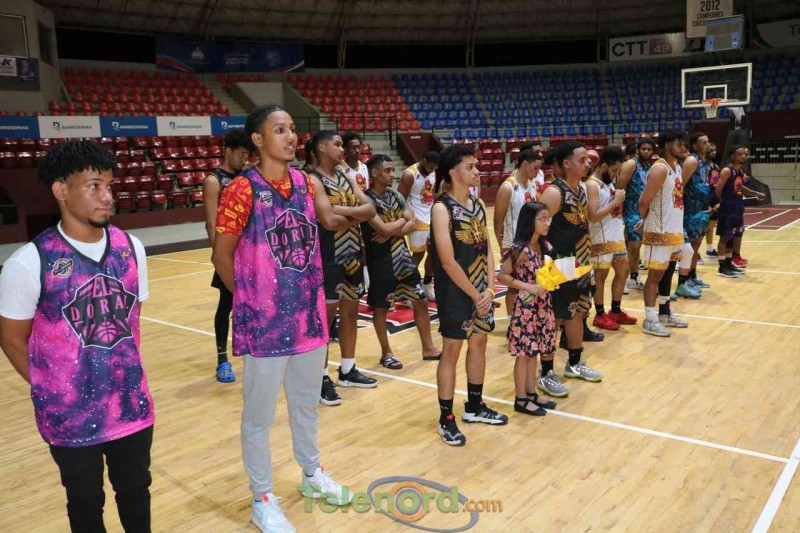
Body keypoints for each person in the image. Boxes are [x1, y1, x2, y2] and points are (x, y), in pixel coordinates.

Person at [0, 140, 154, 533]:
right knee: (85, 502)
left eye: (110, 186)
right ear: (61, 190)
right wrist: (51, 388)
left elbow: (131, 321)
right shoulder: (29, 262)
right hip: (70, 415)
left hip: (130, 405)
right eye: (94, 186)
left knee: (136, 491)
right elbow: (12, 339)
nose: (107, 196)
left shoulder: (131, 248)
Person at [212, 105, 352, 533]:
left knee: (306, 406)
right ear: (257, 140)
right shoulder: (241, 189)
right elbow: (221, 255)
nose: (291, 136)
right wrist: (251, 302)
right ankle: (262, 499)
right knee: (259, 416)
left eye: (292, 129)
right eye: (279, 130)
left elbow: (328, 224)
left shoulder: (307, 183)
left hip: (308, 317)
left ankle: (312, 473)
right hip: (266, 325)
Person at [430, 143, 507, 446]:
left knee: (479, 344)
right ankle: (445, 418)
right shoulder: (441, 208)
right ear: (453, 172)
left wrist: (489, 288)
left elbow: (487, 248)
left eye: (477, 166)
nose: (477, 171)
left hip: (480, 291)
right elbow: (448, 262)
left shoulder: (476, 204)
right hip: (456, 291)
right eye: (470, 167)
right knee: (451, 350)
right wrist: (476, 295)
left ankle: (474, 406)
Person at [306, 130, 378, 406]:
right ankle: (320, 377)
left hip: (352, 254)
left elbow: (370, 209)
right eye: (336, 144)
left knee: (350, 312)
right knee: (325, 320)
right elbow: (328, 221)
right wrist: (355, 214)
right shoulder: (311, 178)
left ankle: (347, 369)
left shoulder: (344, 175)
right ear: (321, 148)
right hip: (327, 256)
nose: (342, 149)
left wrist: (344, 211)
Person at [538, 141, 604, 396]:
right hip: (558, 263)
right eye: (582, 160)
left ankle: (574, 362)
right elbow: (536, 229)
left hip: (580, 260)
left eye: (588, 160)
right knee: (554, 318)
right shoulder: (555, 193)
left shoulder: (581, 189)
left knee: (577, 311)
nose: (588, 163)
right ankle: (545, 373)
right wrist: (546, 264)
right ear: (566, 164)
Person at [361, 154, 440, 368]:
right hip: (381, 262)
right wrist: (396, 226)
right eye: (386, 170)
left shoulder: (396, 195)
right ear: (374, 173)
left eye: (391, 170)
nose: (391, 174)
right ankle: (386, 352)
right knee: (381, 307)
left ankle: (428, 347)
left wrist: (390, 230)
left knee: (420, 300)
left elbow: (412, 223)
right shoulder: (366, 200)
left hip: (403, 259)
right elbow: (389, 227)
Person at [497, 202, 561, 411]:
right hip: (525, 308)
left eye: (548, 219)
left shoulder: (545, 246)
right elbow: (503, 275)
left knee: (535, 351)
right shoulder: (520, 250)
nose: (547, 223)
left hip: (542, 305)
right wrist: (526, 286)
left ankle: (531, 393)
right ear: (530, 221)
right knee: (524, 354)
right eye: (542, 219)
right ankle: (521, 399)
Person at [202, 127, 253, 383]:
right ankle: (222, 359)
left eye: (247, 155)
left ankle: (252, 351)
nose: (244, 160)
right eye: (241, 154)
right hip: (228, 253)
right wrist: (220, 257)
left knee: (250, 304)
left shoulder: (248, 177)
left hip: (250, 253)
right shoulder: (214, 180)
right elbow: (211, 223)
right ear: (228, 151)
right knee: (226, 305)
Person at [637, 130, 689, 337]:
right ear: (667, 145)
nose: (683, 147)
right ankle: (650, 319)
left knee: (668, 275)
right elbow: (643, 201)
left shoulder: (677, 167)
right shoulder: (660, 168)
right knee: (654, 277)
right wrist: (645, 221)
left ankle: (664, 313)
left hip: (674, 230)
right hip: (659, 232)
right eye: (679, 144)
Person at [585, 145, 637, 330]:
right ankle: (599, 314)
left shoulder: (608, 183)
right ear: (604, 166)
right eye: (614, 170)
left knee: (623, 270)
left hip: (615, 235)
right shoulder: (592, 185)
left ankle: (615, 310)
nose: (615, 175)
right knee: (600, 276)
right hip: (601, 237)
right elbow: (593, 215)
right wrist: (616, 201)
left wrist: (617, 202)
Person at [493, 148, 542, 314]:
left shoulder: (532, 185)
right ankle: (511, 320)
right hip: (513, 244)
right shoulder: (508, 187)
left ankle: (525, 318)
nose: (538, 172)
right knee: (514, 285)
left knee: (528, 281)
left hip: (530, 243)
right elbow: (498, 221)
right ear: (525, 164)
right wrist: (503, 246)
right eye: (535, 168)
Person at [715, 145, 764, 277]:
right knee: (724, 238)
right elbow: (718, 190)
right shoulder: (727, 170)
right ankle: (722, 267)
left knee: (732, 237)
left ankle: (729, 263)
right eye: (740, 154)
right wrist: (722, 204)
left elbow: (741, 187)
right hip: (728, 209)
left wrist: (756, 193)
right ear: (732, 156)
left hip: (737, 209)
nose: (743, 156)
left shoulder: (740, 171)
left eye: (744, 154)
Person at [398, 151, 440, 301]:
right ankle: (407, 288)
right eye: (430, 167)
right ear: (423, 161)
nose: (431, 170)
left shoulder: (433, 173)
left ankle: (427, 285)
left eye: (434, 168)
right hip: (416, 219)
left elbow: (431, 195)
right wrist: (406, 220)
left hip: (430, 218)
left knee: (434, 253)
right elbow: (400, 199)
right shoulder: (410, 174)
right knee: (418, 255)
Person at [617, 137, 655, 293]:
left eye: (649, 149)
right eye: (643, 149)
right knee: (633, 246)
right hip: (631, 211)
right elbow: (620, 188)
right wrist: (619, 213)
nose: (646, 151)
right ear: (638, 150)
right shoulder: (632, 164)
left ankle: (633, 277)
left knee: (638, 248)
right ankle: (623, 280)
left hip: (645, 212)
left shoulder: (651, 167)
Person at [678, 132, 712, 296]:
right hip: (690, 210)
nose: (708, 144)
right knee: (690, 246)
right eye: (704, 142)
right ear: (695, 146)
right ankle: (685, 279)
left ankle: (692, 275)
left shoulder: (705, 163)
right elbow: (681, 186)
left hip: (701, 209)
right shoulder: (692, 161)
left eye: (708, 141)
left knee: (696, 245)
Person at [705, 143, 720, 258]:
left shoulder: (716, 167)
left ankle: (709, 250)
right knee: (700, 229)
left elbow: (717, 185)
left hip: (714, 200)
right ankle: (695, 253)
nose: (713, 152)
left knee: (710, 227)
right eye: (710, 150)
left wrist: (719, 201)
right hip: (705, 200)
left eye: (714, 150)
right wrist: (705, 203)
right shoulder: (702, 166)